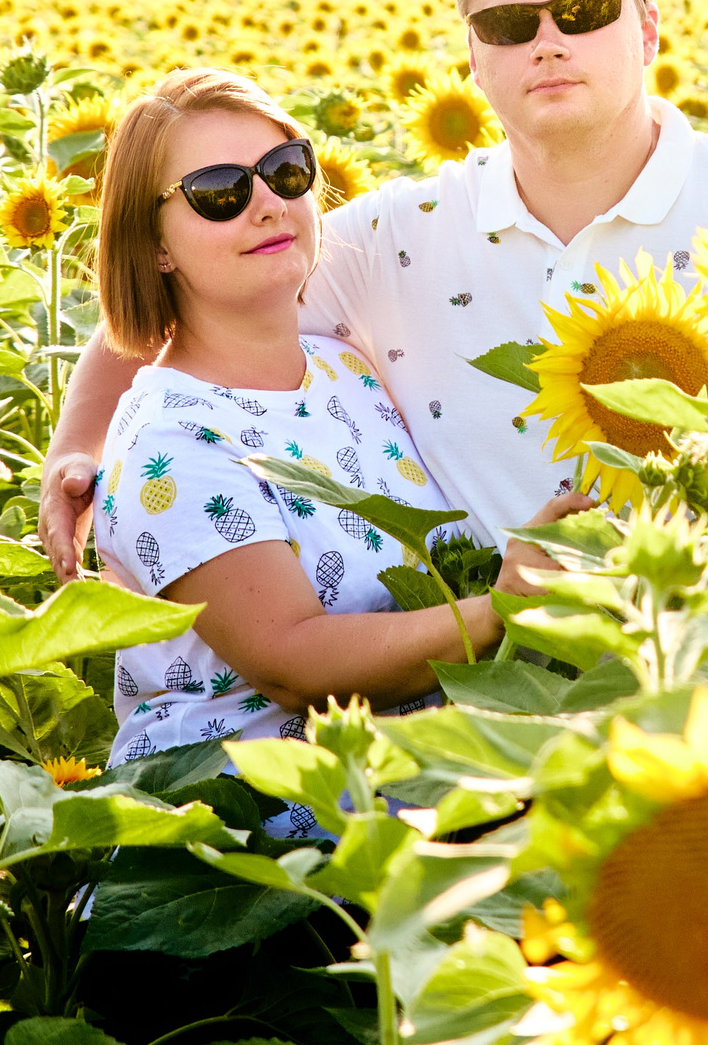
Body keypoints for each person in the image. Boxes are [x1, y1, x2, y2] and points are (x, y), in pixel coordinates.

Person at [42, 0, 708, 645]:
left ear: (648, 26)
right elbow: (183, 301)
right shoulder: (400, 233)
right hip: (479, 703)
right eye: (510, 23)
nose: (548, 42)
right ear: (474, 54)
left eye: (582, 12)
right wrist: (78, 451)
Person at [82, 67, 584, 811]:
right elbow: (291, 659)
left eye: (287, 172)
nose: (266, 205)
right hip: (257, 853)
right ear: (154, 245)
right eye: (220, 192)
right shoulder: (173, 441)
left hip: (417, 807)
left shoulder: (346, 368)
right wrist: (501, 607)